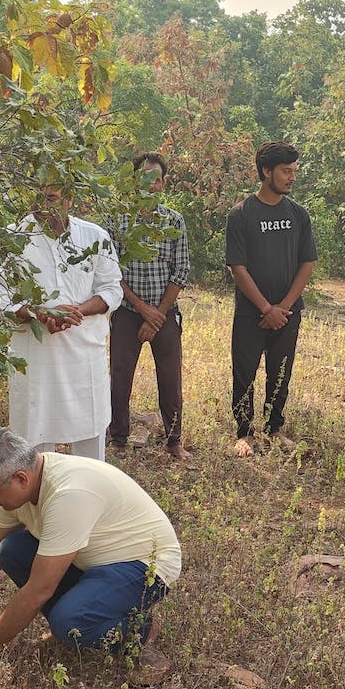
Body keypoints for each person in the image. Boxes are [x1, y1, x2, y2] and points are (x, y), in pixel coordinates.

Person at [0, 426, 181, 674]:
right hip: (96, 561)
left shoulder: (69, 495)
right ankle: (80, 613)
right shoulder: (24, 483)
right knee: (10, 550)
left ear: (20, 478)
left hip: (145, 566)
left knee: (70, 622)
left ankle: (139, 629)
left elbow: (38, 590)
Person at [0, 183, 123, 462]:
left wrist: (78, 311)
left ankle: (88, 496)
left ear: (70, 199)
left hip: (84, 352)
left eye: (51, 198)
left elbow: (112, 289)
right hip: (35, 356)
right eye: (38, 197)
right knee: (34, 438)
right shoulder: (11, 239)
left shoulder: (94, 236)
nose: (43, 206)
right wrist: (42, 314)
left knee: (91, 436)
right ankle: (39, 498)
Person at [225, 141, 317, 457]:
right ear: (267, 172)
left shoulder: (299, 215)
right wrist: (265, 308)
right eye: (285, 171)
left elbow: (307, 263)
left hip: (287, 313)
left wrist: (283, 308)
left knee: (281, 373)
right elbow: (238, 267)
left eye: (294, 171)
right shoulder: (240, 215)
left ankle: (275, 430)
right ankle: (244, 433)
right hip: (250, 314)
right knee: (245, 373)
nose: (292, 177)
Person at [108, 153, 192, 460]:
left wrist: (157, 316)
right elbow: (111, 273)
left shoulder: (174, 221)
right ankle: (118, 438)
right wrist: (143, 310)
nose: (150, 186)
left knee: (170, 378)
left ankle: (173, 441)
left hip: (166, 314)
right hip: (128, 313)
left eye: (155, 179)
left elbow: (180, 271)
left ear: (163, 183)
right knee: (120, 375)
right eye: (144, 179)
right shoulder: (115, 220)